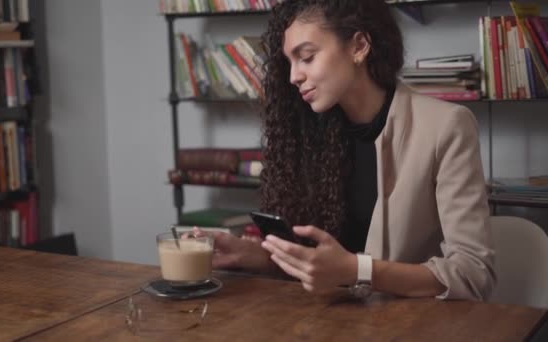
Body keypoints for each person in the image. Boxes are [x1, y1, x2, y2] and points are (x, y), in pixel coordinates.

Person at [197, 0, 496, 301]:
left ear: (359, 46)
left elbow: (473, 274)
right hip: (330, 319)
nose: (293, 76)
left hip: (408, 325)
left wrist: (358, 270)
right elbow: (323, 267)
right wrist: (256, 255)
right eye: (289, 62)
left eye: (307, 57)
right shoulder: (310, 134)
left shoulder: (446, 126)